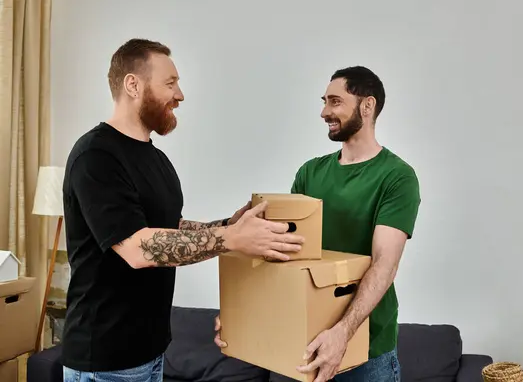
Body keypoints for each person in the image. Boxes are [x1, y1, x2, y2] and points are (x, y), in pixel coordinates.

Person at [60, 38, 305, 382]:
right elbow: (136, 247)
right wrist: (231, 238)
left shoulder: (157, 160)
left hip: (152, 351)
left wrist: (226, 224)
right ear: (133, 84)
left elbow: (167, 226)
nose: (181, 95)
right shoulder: (96, 156)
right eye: (170, 83)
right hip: (106, 360)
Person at [215, 65, 421, 382]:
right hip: (302, 343)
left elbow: (384, 264)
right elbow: (283, 256)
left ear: (368, 106)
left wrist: (342, 333)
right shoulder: (310, 173)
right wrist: (241, 312)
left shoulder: (396, 177)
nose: (325, 111)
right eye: (324, 101)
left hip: (365, 354)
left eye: (335, 101)